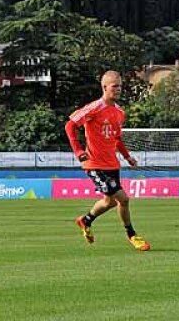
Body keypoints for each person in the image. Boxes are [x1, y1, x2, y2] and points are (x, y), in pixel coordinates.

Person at [65, 70, 150, 251]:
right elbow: (70, 125)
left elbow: (117, 138)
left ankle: (85, 220)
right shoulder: (94, 107)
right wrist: (79, 151)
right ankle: (132, 235)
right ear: (105, 87)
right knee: (123, 199)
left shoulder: (119, 112)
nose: (118, 89)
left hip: (112, 164)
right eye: (114, 86)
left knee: (109, 202)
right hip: (94, 164)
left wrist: (127, 156)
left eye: (120, 86)